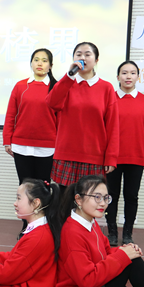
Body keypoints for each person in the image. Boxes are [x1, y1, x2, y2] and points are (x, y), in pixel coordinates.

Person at [46, 42, 119, 191]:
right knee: (64, 200)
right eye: (78, 54)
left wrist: (111, 157)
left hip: (93, 156)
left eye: (87, 54)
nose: (83, 58)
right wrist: (68, 77)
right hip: (66, 154)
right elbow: (51, 103)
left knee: (89, 199)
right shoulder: (66, 83)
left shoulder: (106, 88)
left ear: (96, 60)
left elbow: (112, 125)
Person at [3, 48, 58, 237]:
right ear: (31, 63)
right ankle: (26, 226)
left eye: (44, 60)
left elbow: (62, 119)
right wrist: (7, 139)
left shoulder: (56, 87)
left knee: (44, 188)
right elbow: (11, 114)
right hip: (21, 146)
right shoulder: (20, 86)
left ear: (50, 65)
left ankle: (43, 226)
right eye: (36, 59)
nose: (40, 63)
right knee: (25, 188)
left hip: (47, 147)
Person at [106, 61, 144, 246]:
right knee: (111, 196)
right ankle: (112, 232)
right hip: (112, 158)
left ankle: (128, 233)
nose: (128, 76)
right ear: (117, 76)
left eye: (133, 73)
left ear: (138, 77)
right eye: (124, 73)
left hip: (136, 157)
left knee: (131, 196)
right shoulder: (109, 99)